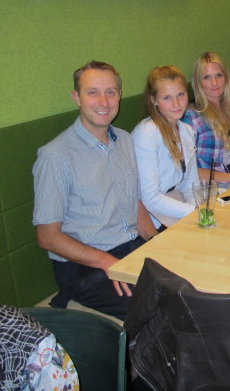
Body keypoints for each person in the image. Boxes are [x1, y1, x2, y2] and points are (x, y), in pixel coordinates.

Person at [32, 61, 158, 320]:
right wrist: (107, 262)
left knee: (191, 283)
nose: (104, 101)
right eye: (93, 92)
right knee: (160, 308)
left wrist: (157, 242)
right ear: (76, 97)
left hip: (130, 248)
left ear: (119, 95)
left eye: (110, 92)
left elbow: (134, 203)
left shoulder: (124, 139)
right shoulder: (55, 157)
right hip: (85, 268)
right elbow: (47, 237)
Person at [132, 65, 200, 230]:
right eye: (167, 98)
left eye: (181, 95)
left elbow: (190, 184)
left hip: (177, 209)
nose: (176, 103)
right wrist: (194, 212)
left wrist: (198, 211)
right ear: (154, 100)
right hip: (152, 221)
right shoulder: (147, 133)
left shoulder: (186, 131)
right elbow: (150, 199)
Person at [182, 52, 230, 183]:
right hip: (210, 188)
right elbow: (189, 171)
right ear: (198, 82)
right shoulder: (190, 118)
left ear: (226, 78)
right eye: (207, 77)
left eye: (219, 75)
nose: (214, 82)